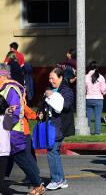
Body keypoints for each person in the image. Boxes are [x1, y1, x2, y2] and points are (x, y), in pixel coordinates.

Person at [0, 64, 44, 195]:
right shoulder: (4, 88)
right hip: (5, 130)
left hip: (13, 131)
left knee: (21, 158)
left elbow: (16, 110)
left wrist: (6, 126)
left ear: (2, 75)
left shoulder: (10, 88)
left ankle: (37, 184)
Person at [41, 67, 74, 190]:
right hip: (51, 125)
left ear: (60, 78)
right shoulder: (50, 89)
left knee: (52, 151)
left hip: (59, 126)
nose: (50, 81)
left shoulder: (66, 90)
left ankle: (57, 179)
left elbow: (66, 106)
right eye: (49, 78)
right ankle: (61, 179)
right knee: (54, 152)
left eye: (53, 78)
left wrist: (53, 95)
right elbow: (44, 105)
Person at [85, 61, 106, 135]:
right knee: (97, 117)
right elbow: (103, 90)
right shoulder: (101, 77)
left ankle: (88, 131)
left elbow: (83, 89)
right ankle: (97, 132)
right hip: (99, 99)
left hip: (88, 98)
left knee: (88, 117)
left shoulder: (86, 77)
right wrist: (104, 92)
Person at [0, 95, 12, 195]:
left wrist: (8, 113)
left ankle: (7, 192)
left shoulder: (5, 117)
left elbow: (8, 126)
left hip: (3, 151)